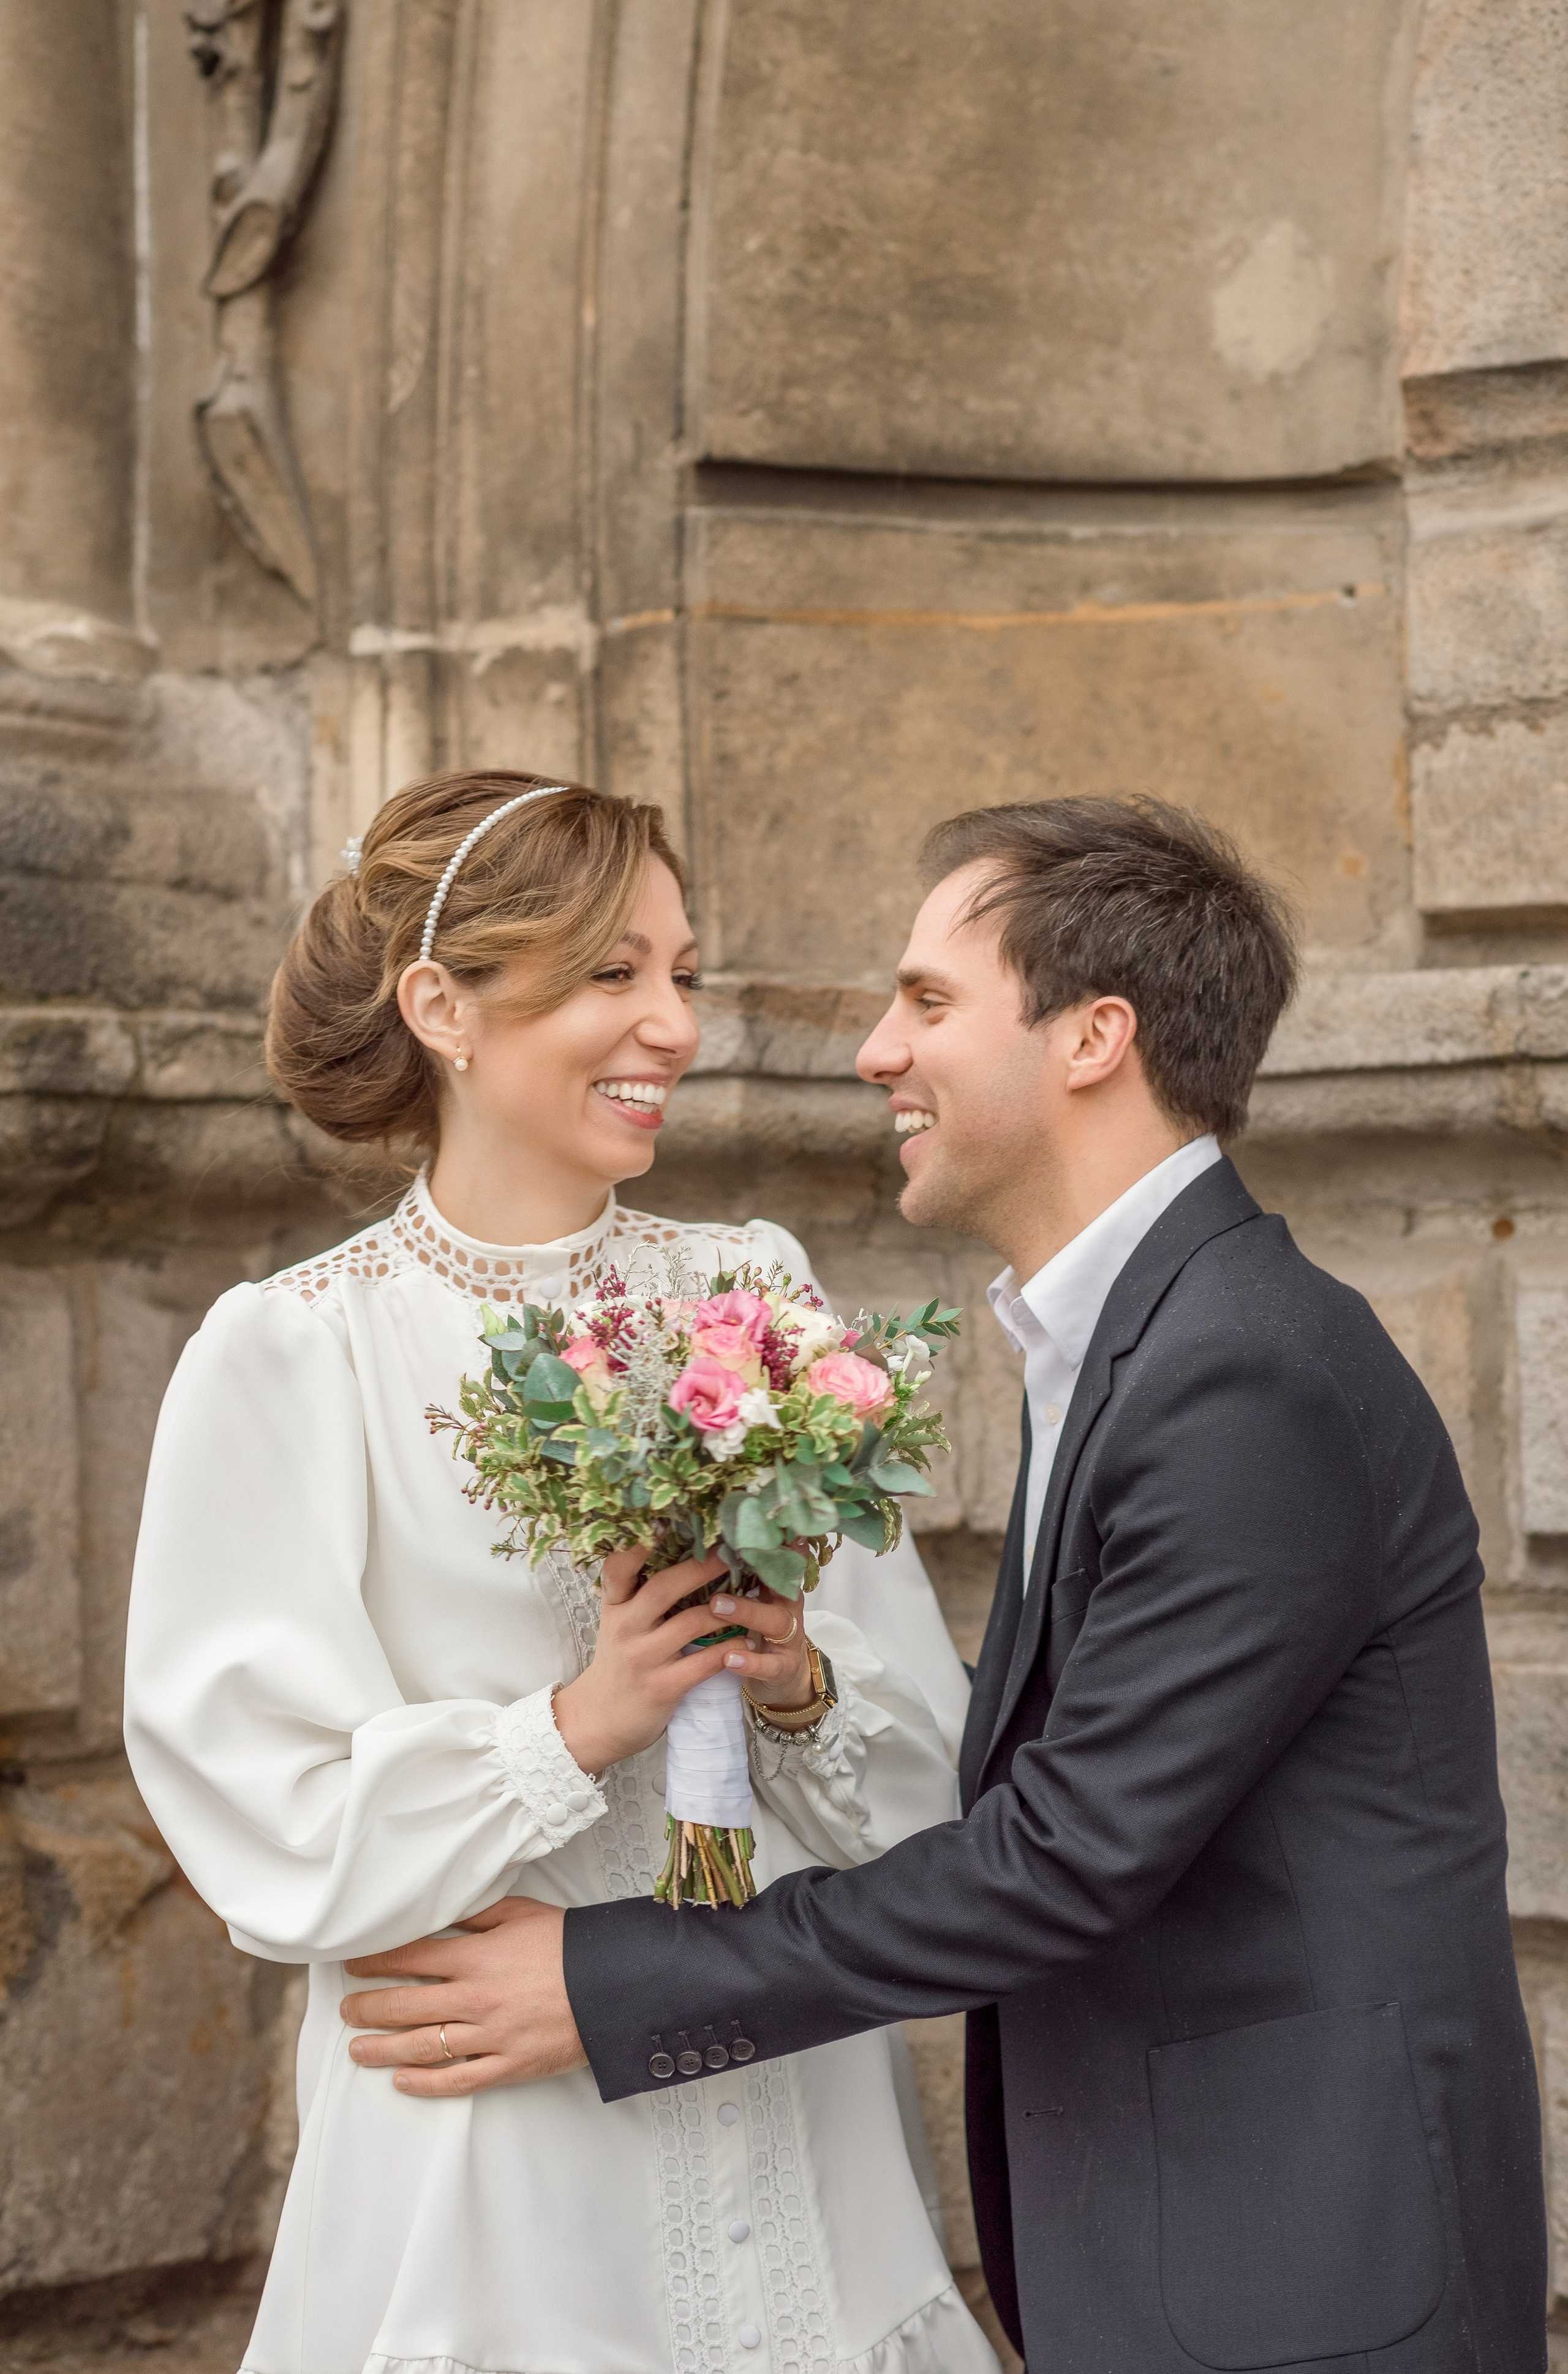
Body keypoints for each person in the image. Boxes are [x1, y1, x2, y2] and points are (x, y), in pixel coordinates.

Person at [347, 796, 1549, 2374]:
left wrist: (610, 1976)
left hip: (1302, 2273)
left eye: (925, 1003)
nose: (871, 1053)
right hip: (1193, 2247)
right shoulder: (1129, 1342)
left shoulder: (1243, 1371)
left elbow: (1063, 1855)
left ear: (1090, 1038)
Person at [123, 771, 1000, 2374]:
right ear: (442, 1006)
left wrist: (795, 1682)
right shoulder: (303, 1351)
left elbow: (934, 1795)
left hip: (794, 2111)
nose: (669, 1022)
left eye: (682, 971)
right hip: (496, 2157)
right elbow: (263, 1814)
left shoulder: (753, 1289)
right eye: (612, 973)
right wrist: (572, 1725)